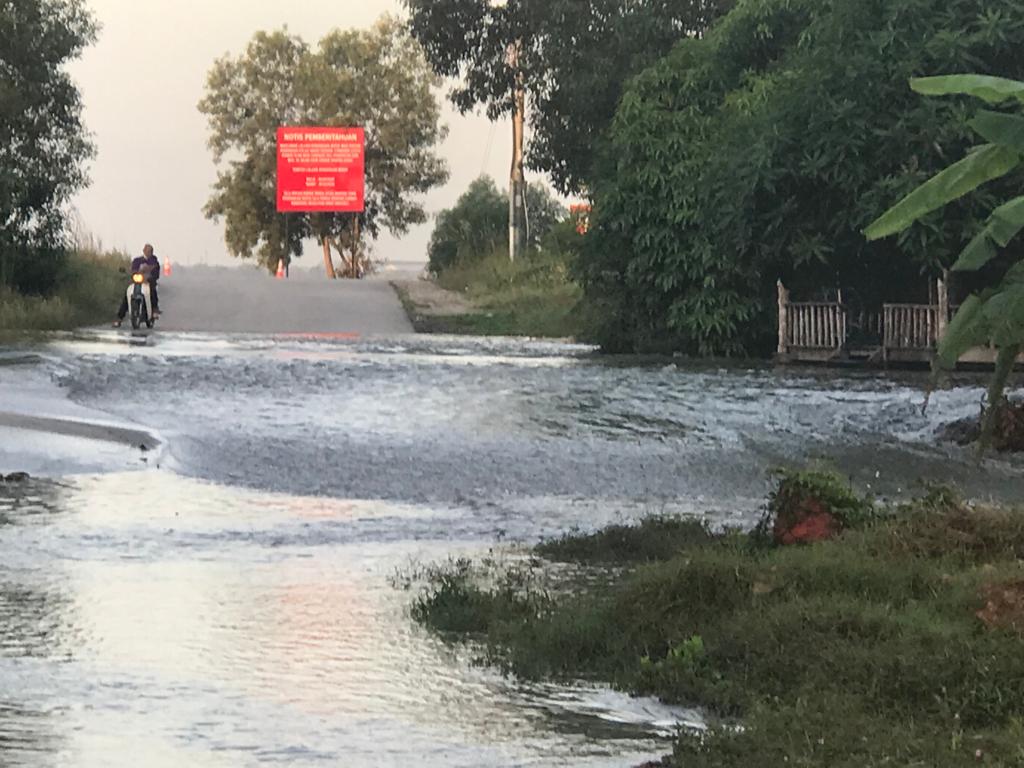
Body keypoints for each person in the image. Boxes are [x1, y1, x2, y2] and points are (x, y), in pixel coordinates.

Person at [113, 244, 161, 326]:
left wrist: (151, 277)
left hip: (148, 282)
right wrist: (130, 273)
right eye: (146, 250)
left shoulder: (154, 261)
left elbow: (156, 273)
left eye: (150, 251)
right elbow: (132, 270)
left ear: (152, 252)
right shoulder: (137, 260)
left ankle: (154, 309)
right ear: (143, 251)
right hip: (137, 282)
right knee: (127, 295)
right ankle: (119, 318)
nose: (148, 252)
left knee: (152, 291)